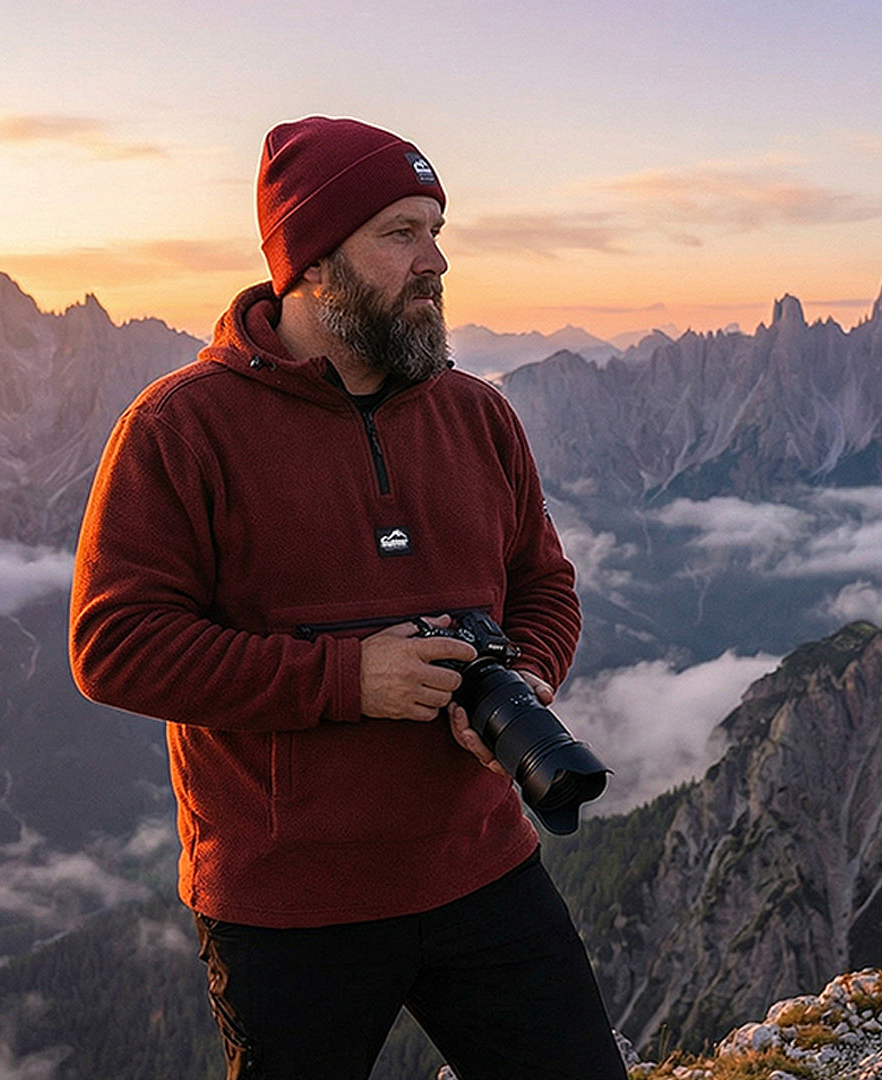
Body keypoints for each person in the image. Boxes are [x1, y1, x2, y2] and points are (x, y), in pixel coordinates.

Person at [69, 115, 627, 1080]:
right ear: (313, 259)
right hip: (288, 907)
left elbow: (544, 582)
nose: (435, 262)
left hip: (482, 869)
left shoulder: (477, 414)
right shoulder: (180, 428)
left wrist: (526, 677)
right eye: (400, 234)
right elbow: (114, 643)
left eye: (436, 231)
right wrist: (346, 679)